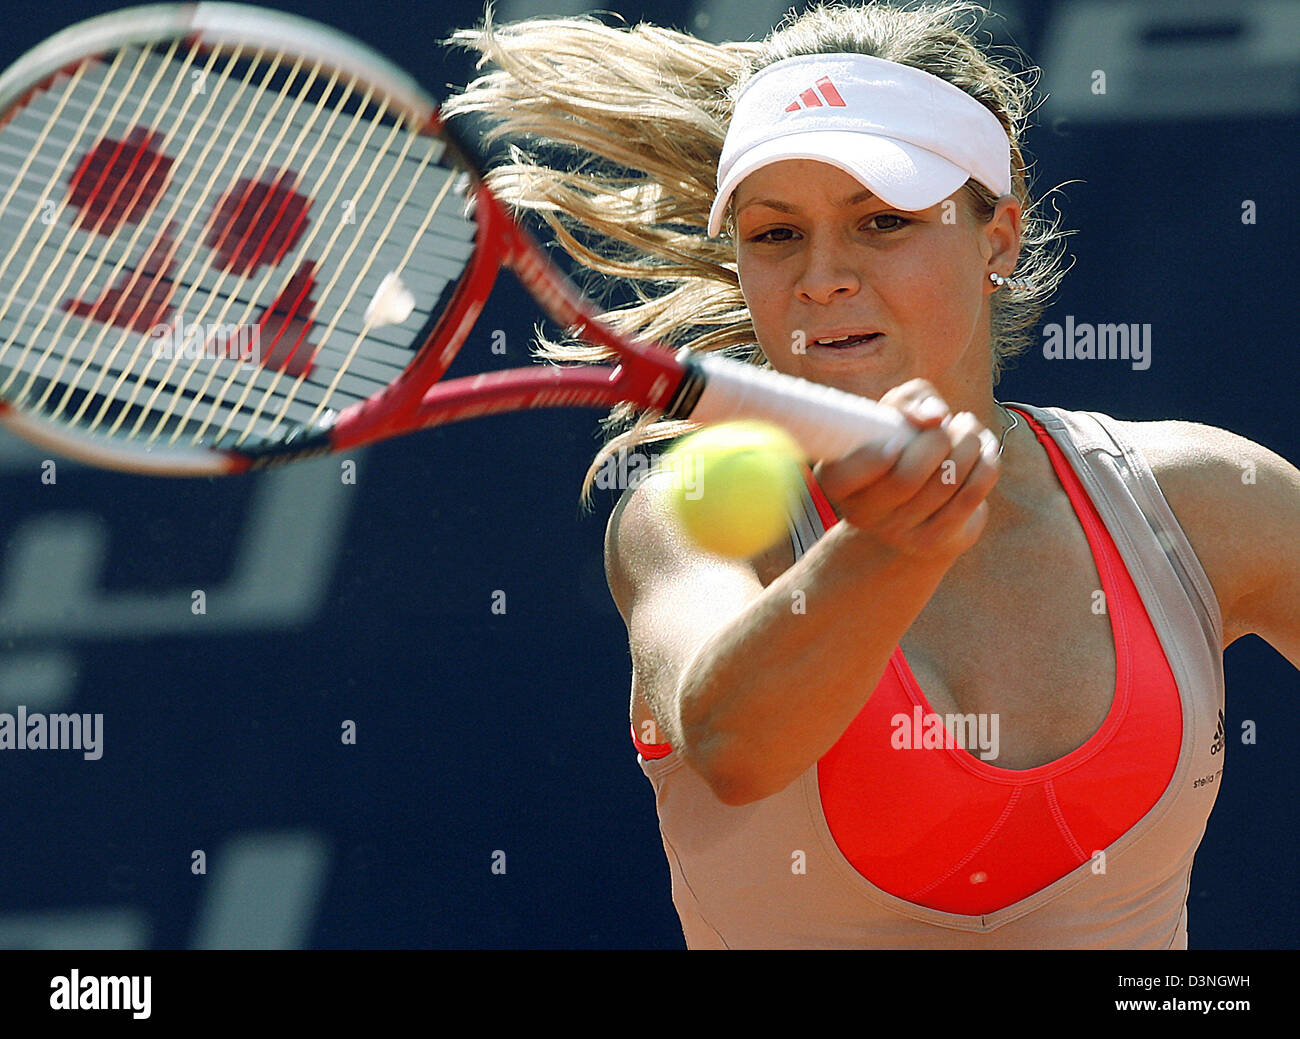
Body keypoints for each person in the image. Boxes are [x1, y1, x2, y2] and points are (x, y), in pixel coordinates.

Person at [445, 1, 1300, 948]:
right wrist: (889, 546)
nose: (821, 277)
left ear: (998, 237)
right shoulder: (683, 519)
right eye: (775, 235)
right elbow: (732, 746)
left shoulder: (1207, 500)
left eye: (881, 221)